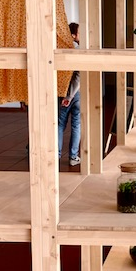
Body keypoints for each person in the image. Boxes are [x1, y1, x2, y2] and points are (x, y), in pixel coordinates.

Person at [58, 23, 81, 166]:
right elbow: (78, 75)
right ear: (73, 35)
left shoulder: (62, 50)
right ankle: (73, 157)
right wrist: (70, 96)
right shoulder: (78, 50)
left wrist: (67, 96)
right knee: (76, 125)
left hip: (64, 91)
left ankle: (56, 155)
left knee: (60, 124)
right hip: (76, 93)